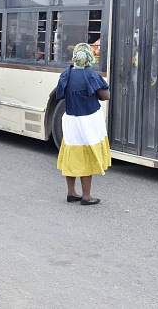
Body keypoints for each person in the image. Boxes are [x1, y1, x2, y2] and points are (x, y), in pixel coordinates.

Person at [56, 43, 111, 205]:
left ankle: (71, 193)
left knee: (72, 153)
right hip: (88, 120)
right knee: (87, 155)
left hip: (71, 120)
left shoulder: (66, 74)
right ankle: (86, 196)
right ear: (89, 58)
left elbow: (60, 94)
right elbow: (105, 95)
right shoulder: (91, 75)